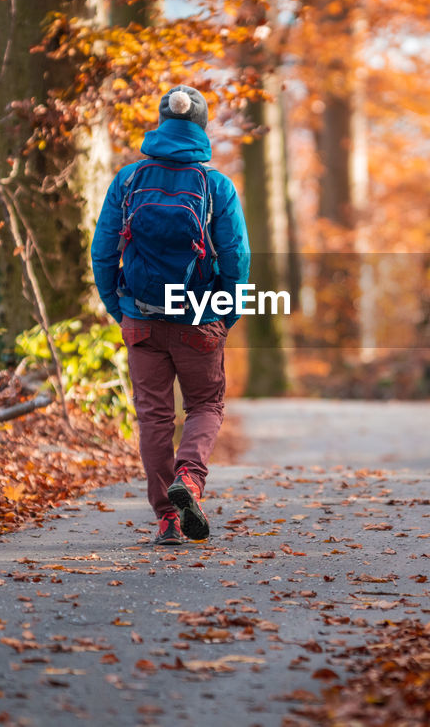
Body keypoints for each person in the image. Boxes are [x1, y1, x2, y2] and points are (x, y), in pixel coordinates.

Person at [91, 86, 250, 546]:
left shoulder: (128, 180)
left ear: (160, 124)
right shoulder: (216, 185)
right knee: (205, 405)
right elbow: (237, 259)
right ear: (201, 129)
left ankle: (168, 518)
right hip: (199, 316)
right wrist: (225, 313)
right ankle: (191, 480)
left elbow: (103, 253)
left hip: (140, 316)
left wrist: (117, 308)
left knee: (155, 419)